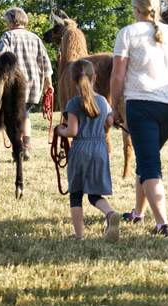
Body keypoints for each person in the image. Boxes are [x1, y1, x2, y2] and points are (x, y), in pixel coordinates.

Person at [110, 0, 168, 239]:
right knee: (147, 158)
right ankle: (138, 212)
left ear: (135, 9)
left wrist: (115, 106)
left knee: (149, 165)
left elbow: (118, 75)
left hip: (142, 103)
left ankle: (163, 224)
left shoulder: (128, 33)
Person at [55, 59, 120, 241]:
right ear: (94, 78)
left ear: (73, 81)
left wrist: (60, 130)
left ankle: (79, 235)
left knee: (76, 194)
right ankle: (109, 213)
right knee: (94, 194)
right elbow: (109, 123)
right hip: (100, 148)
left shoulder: (73, 104)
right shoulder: (102, 101)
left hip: (81, 149)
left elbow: (72, 131)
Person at [0, 7, 53, 160]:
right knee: (24, 114)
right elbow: (45, 64)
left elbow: (0, 57)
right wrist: (49, 84)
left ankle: (18, 148)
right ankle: (26, 146)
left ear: (12, 20)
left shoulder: (8, 36)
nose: (6, 24)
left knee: (11, 117)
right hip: (33, 85)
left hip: (13, 84)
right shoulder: (35, 38)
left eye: (6, 21)